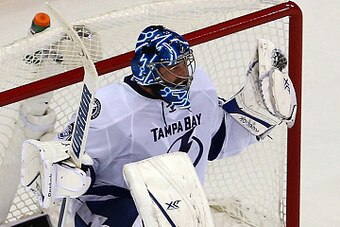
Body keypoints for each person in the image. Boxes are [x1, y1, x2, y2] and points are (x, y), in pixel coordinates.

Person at [21, 25, 296, 226]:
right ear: (149, 71)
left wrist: (255, 113)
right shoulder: (110, 112)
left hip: (178, 207)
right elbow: (70, 170)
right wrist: (69, 175)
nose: (184, 74)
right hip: (111, 211)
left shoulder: (198, 86)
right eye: (172, 68)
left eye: (184, 64)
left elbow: (216, 141)